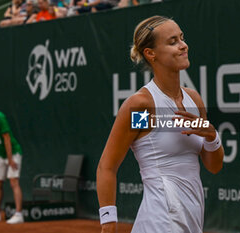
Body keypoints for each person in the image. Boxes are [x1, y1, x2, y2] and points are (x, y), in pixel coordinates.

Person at [96, 15, 224, 233]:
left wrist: (212, 137)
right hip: (160, 220)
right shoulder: (142, 106)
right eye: (173, 42)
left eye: (182, 38)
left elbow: (214, 166)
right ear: (150, 53)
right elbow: (106, 167)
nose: (183, 45)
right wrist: (108, 222)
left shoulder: (194, 100)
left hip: (192, 219)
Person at [0, 97, 24, 224]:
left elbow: (7, 138)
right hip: (2, 157)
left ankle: (19, 214)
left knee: (13, 181)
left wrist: (10, 159)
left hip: (13, 154)